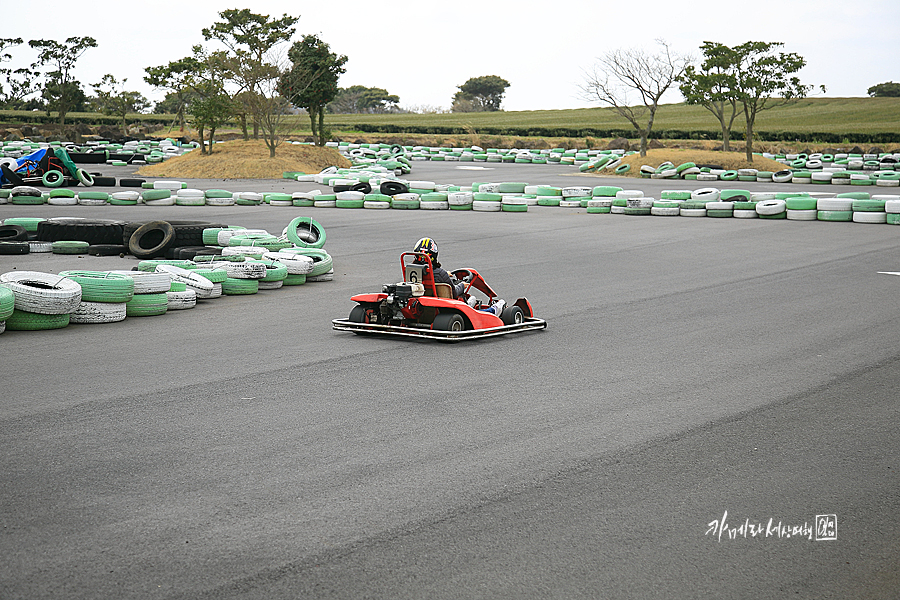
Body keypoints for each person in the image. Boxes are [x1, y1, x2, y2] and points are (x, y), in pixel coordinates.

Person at [412, 238, 505, 315]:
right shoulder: (440, 273)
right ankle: (494, 310)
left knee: (468, 300)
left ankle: (468, 304)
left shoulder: (412, 272)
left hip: (423, 307)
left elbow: (432, 276)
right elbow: (454, 292)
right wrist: (462, 285)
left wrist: (445, 274)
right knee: (470, 310)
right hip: (445, 309)